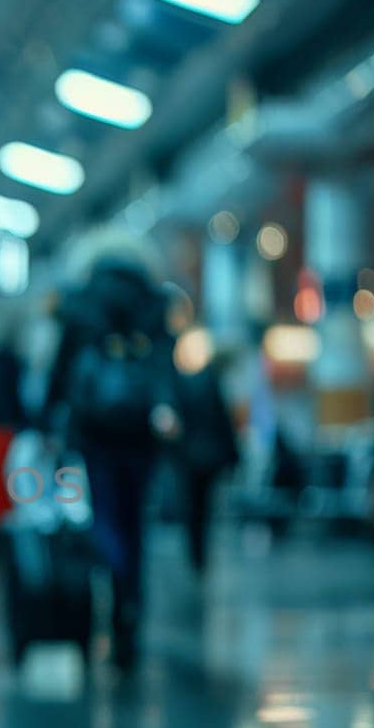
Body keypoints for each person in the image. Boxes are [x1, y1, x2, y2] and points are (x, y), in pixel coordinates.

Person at [47, 256, 178, 673]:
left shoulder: (82, 305)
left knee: (102, 513)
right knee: (136, 520)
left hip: (95, 432)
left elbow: (62, 370)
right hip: (141, 434)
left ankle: (112, 576)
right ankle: (130, 605)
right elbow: (165, 366)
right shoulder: (153, 304)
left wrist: (47, 421)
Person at [172, 352, 239, 573]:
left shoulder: (189, 387)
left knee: (193, 508)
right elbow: (224, 427)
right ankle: (200, 555)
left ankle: (195, 554)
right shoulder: (213, 390)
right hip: (208, 460)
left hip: (190, 458)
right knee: (204, 509)